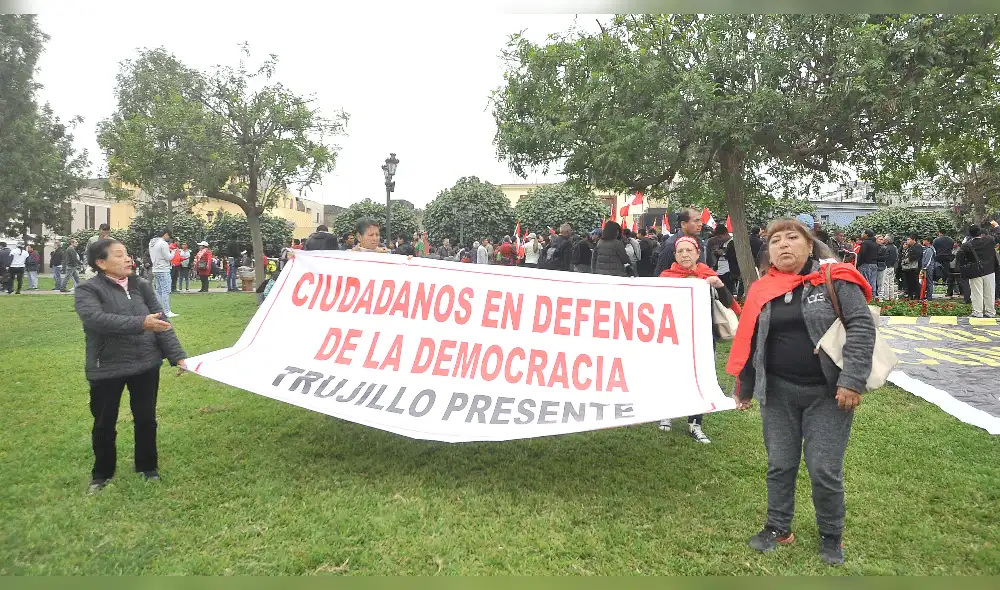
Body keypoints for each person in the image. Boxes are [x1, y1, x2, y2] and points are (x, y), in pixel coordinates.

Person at [728, 217, 875, 566]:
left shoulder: (833, 280)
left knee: (823, 468)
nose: (783, 245)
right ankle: (778, 527)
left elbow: (861, 326)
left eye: (792, 237)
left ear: (810, 245)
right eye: (775, 240)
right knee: (780, 464)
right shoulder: (764, 289)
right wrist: (745, 387)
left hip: (828, 394)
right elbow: (749, 338)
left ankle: (831, 535)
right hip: (778, 393)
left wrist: (852, 380)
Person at [75, 238, 188, 493]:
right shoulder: (88, 290)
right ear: (100, 263)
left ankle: (148, 468)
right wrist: (141, 323)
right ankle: (102, 474)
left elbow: (161, 323)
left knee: (146, 419)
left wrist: (178, 356)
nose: (127, 259)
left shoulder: (141, 285)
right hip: (107, 368)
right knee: (104, 423)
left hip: (146, 365)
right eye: (118, 255)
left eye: (127, 254)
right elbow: (96, 320)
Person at [658, 236, 741, 444]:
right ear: (675, 255)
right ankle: (667, 411)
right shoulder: (666, 277)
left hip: (702, 337)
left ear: (697, 253)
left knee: (700, 378)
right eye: (680, 251)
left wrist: (719, 285)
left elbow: (729, 303)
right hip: (674, 335)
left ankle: (696, 423)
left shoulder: (708, 275)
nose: (685, 254)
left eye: (689, 250)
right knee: (671, 373)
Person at [956, 224, 998, 318]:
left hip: (975, 271)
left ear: (970, 234)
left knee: (976, 293)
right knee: (990, 292)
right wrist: (996, 225)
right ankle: (990, 312)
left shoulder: (967, 245)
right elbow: (998, 235)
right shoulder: (990, 240)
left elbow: (959, 256)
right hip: (989, 270)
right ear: (980, 232)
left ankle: (978, 312)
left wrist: (966, 264)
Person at [654, 208, 707, 276]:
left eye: (700, 220)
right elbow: (660, 275)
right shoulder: (670, 245)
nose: (700, 224)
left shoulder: (699, 242)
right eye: (696, 221)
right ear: (683, 224)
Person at [148, 229, 176, 317]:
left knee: (159, 291)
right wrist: (173, 252)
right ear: (166, 234)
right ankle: (167, 311)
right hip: (164, 269)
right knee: (166, 290)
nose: (169, 239)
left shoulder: (152, 243)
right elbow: (168, 257)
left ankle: (159, 310)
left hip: (155, 269)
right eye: (169, 236)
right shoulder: (163, 243)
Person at [899, 235, 922, 299]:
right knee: (908, 282)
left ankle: (917, 296)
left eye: (909, 239)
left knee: (914, 282)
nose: (907, 241)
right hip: (907, 268)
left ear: (913, 240)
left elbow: (917, 256)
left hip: (914, 267)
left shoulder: (917, 246)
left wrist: (907, 259)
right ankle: (910, 295)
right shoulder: (910, 247)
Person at [880, 235, 898, 300]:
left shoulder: (886, 248)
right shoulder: (894, 247)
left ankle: (886, 297)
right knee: (891, 282)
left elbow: (886, 257)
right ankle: (892, 296)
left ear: (887, 240)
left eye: (884, 239)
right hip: (892, 267)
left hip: (887, 267)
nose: (883, 240)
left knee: (886, 282)